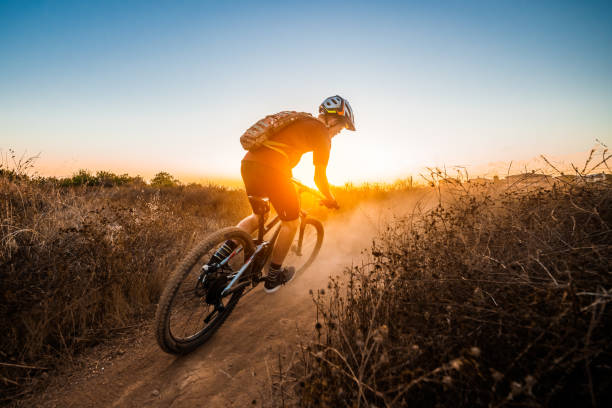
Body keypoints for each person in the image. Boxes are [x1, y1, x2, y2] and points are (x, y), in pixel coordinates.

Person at [207, 95, 356, 293]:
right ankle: (273, 277)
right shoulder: (322, 135)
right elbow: (319, 177)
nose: (339, 132)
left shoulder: (300, 120)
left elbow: (283, 149)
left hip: (249, 164)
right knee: (292, 222)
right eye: (342, 127)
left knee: (258, 215)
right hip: (274, 170)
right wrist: (330, 198)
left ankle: (215, 262)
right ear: (334, 119)